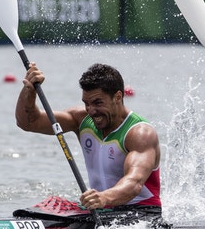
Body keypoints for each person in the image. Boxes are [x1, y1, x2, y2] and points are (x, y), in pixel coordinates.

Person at [16, 62, 161, 211]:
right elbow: (28, 122)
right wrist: (30, 90)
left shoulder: (140, 134)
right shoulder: (81, 119)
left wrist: (104, 198)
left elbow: (134, 182)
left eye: (98, 103)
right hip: (101, 208)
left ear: (118, 97)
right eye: (87, 103)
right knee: (47, 205)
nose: (91, 111)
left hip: (140, 211)